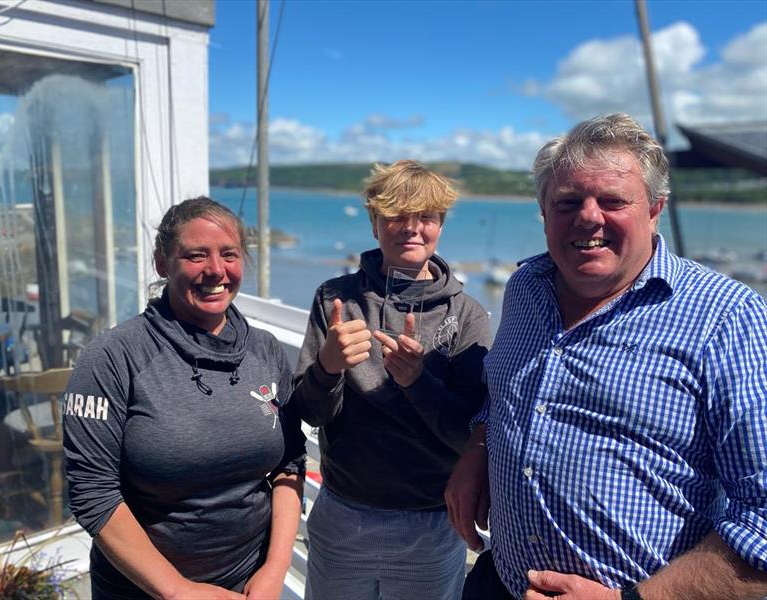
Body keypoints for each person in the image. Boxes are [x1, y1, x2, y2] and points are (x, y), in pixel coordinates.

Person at [445, 113, 767, 600]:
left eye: (613, 201)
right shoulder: (526, 287)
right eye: (567, 202)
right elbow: (506, 390)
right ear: (544, 211)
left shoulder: (728, 319)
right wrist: (478, 449)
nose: (588, 217)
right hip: (500, 580)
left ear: (655, 207)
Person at [63, 197, 306, 599]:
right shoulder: (113, 356)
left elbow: (290, 462)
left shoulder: (265, 350)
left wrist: (274, 570)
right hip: (144, 589)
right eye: (196, 255)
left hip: (250, 582)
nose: (216, 270)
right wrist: (178, 591)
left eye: (229, 254)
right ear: (162, 262)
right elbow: (92, 491)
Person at [293, 160, 491, 600]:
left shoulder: (466, 315)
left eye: (426, 217)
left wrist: (418, 381)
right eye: (396, 216)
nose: (411, 228)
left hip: (431, 521)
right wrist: (327, 367)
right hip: (344, 512)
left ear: (440, 224)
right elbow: (308, 411)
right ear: (374, 223)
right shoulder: (334, 298)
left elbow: (469, 434)